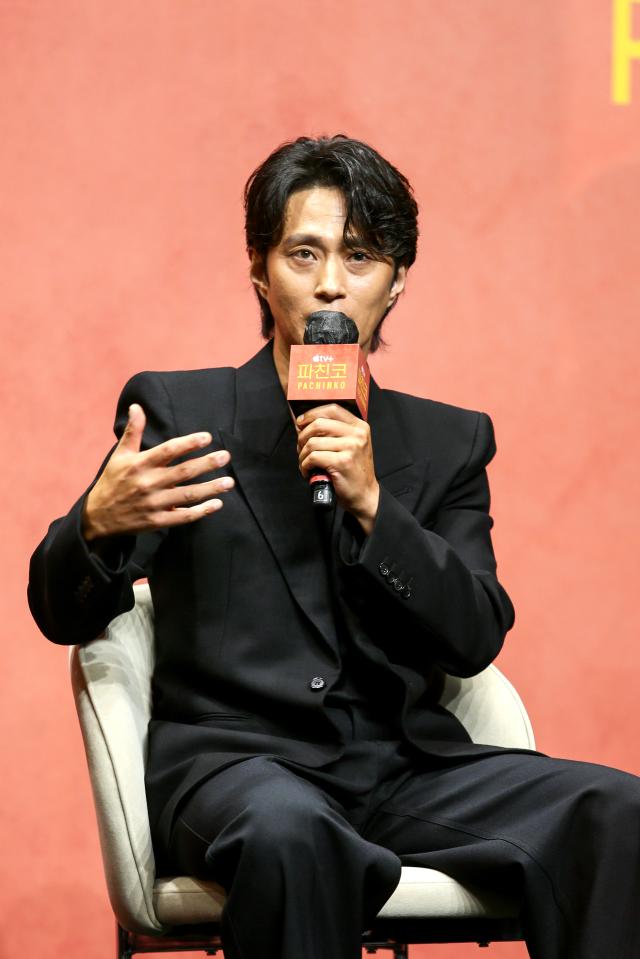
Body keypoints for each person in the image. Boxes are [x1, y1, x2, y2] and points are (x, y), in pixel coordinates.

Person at [29, 135, 640, 959]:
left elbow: (475, 635)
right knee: (292, 833)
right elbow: (57, 612)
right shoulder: (182, 414)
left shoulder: (447, 441)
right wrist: (94, 526)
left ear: (396, 284)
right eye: (303, 252)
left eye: (358, 256)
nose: (328, 282)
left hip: (403, 771)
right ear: (259, 271)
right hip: (236, 771)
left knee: (617, 811)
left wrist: (375, 507)